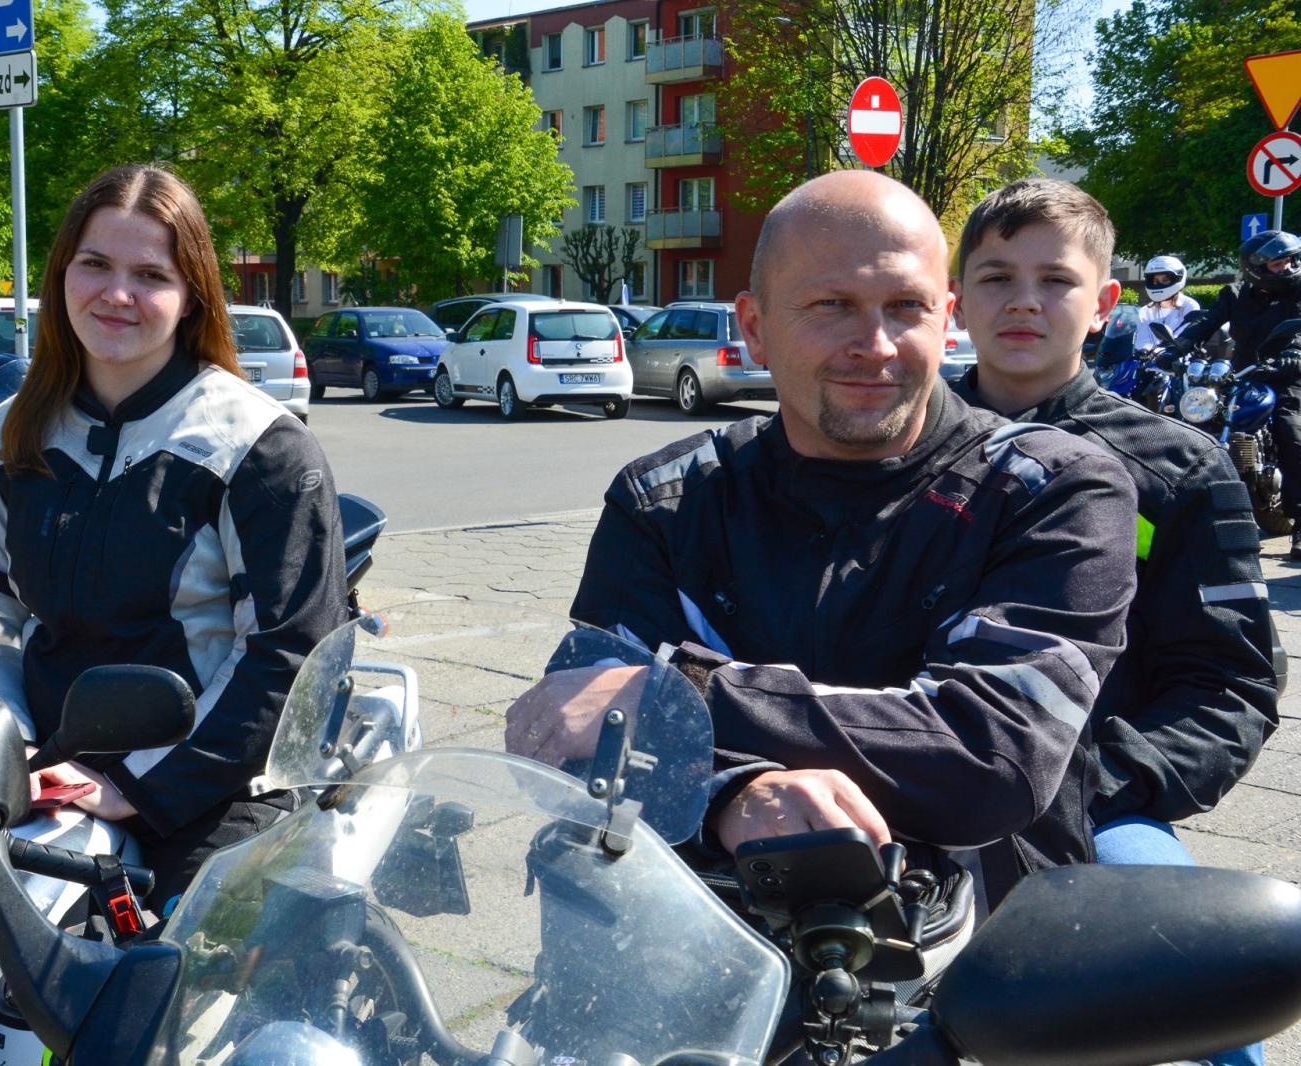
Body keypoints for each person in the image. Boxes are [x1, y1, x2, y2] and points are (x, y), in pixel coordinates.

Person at [507, 170, 1138, 909]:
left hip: (974, 965)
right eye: (831, 306)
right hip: (686, 946)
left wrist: (681, 691)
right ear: (754, 326)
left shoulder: (1052, 488)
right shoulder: (664, 499)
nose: (873, 345)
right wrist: (731, 793)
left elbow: (990, 755)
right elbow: (575, 735)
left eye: (906, 306)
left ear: (948, 319)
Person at [0, 164, 348, 910]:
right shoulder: (4, 436)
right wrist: (10, 756)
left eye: (150, 274)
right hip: (42, 769)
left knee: (167, 995)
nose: (116, 293)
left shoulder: (259, 446)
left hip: (210, 783)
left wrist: (140, 783)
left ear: (192, 294)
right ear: (61, 273)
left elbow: (290, 654)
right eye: (94, 264)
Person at [951, 177, 1276, 1066]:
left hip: (1096, 806)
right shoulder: (887, 445)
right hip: (906, 785)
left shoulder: (1179, 469)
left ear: (1104, 303)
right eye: (995, 277)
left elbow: (1229, 684)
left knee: (1208, 1003)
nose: (1023, 300)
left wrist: (1101, 785)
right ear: (956, 299)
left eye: (1055, 280)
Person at [1174, 230, 1301, 557]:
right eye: (1278, 264)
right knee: (1201, 423)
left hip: (1290, 375)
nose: (1287, 268)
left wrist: (1295, 352)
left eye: (1290, 261)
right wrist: (1174, 349)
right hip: (1244, 375)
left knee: (1291, 432)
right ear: (1256, 267)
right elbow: (1207, 323)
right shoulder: (1234, 294)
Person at [1132, 254, 1200, 350]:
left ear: (1177, 279)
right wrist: (1147, 351)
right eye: (1155, 281)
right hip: (1151, 362)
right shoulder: (1146, 311)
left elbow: (1184, 338)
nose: (1159, 284)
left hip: (1181, 362)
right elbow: (1142, 340)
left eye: (1165, 280)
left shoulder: (1189, 306)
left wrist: (1164, 352)